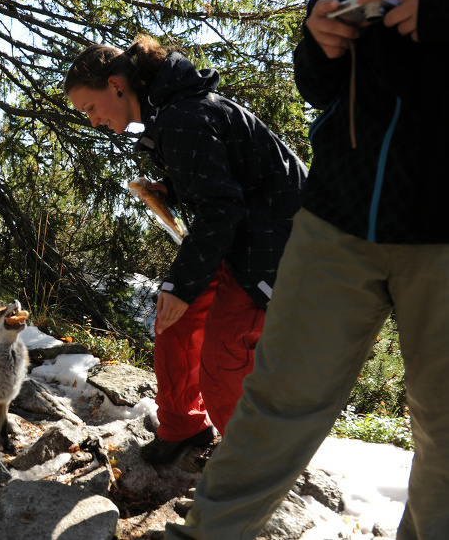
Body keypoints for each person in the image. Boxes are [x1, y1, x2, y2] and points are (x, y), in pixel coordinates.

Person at [165, 0, 449, 539]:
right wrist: (320, 41)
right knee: (274, 404)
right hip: (337, 212)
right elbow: (317, 85)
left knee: (444, 433)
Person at [64, 36, 307, 464]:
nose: (94, 120)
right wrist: (173, 188)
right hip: (242, 235)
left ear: (117, 85)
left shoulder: (182, 117)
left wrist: (181, 284)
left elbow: (221, 209)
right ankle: (184, 427)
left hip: (276, 248)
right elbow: (223, 179)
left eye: (90, 108)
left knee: (224, 361)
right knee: (173, 323)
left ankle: (250, 467)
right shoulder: (171, 113)